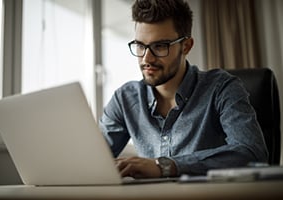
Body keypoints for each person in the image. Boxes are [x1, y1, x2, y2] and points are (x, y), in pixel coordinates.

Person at [99, 0, 268, 179]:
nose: (146, 58)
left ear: (186, 46)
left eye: (160, 46)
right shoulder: (124, 99)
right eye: (140, 45)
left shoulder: (222, 88)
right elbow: (89, 159)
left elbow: (252, 152)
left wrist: (165, 166)